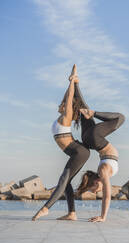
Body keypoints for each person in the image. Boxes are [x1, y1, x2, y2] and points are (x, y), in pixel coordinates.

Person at [32, 65, 90, 221]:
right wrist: (70, 81)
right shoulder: (63, 117)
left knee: (63, 180)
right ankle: (72, 213)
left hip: (79, 152)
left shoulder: (67, 116)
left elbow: (70, 97)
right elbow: (67, 97)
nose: (59, 104)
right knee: (67, 181)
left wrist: (73, 81)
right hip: (77, 151)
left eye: (62, 104)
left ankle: (45, 208)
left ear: (67, 108)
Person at [75, 104, 125, 222]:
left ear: (96, 182)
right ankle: (75, 86)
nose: (97, 192)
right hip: (88, 138)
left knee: (121, 118)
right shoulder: (102, 172)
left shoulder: (103, 172)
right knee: (82, 108)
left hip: (95, 138)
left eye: (95, 190)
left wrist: (103, 217)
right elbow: (106, 194)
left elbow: (107, 196)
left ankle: (93, 113)